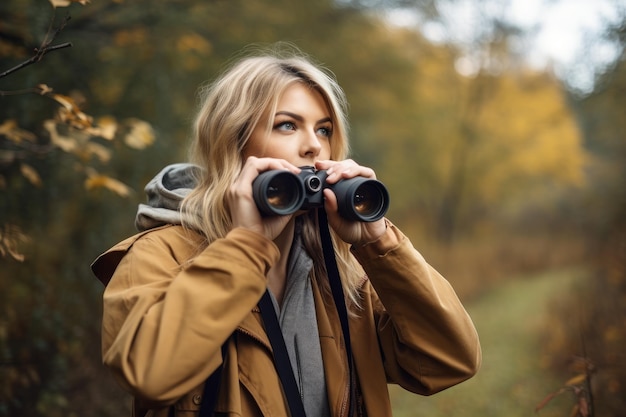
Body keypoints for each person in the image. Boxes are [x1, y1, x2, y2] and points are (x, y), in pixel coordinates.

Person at [91, 45, 481, 417]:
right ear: (234, 141)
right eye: (287, 125)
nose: (314, 146)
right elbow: (149, 375)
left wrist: (379, 242)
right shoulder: (159, 255)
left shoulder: (340, 273)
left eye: (324, 130)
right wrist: (246, 246)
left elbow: (448, 360)